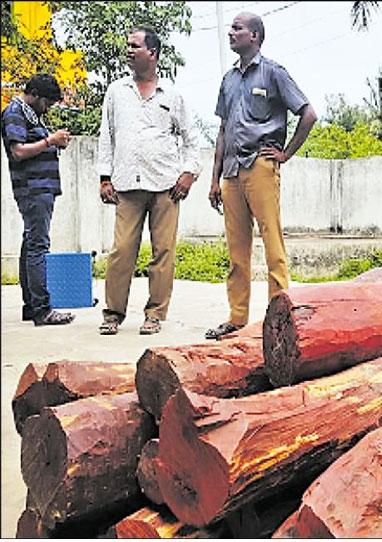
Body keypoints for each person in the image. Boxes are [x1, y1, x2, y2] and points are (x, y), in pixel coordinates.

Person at [205, 12, 317, 340]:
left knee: (272, 244)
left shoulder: (274, 73)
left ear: (254, 35)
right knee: (236, 251)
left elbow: (308, 114)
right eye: (232, 28)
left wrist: (286, 153)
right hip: (231, 173)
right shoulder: (228, 79)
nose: (231, 32)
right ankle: (237, 318)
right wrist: (215, 179)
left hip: (260, 166)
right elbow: (223, 129)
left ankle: (278, 318)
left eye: (238, 28)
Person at [97, 27, 201, 335]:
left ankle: (155, 314)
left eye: (135, 46)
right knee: (121, 252)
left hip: (166, 186)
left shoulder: (173, 94)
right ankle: (113, 313)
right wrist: (105, 177)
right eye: (128, 45)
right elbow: (107, 136)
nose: (129, 50)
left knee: (163, 253)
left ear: (152, 54)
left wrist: (188, 174)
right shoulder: (117, 91)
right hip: (126, 186)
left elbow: (191, 139)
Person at [1, 74, 75, 326]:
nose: (48, 107)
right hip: (32, 190)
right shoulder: (14, 112)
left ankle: (31, 306)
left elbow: (32, 146)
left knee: (30, 243)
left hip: (39, 189)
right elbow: (18, 151)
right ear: (34, 95)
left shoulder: (30, 115)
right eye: (47, 102)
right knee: (38, 246)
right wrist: (49, 140)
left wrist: (52, 144)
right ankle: (42, 310)